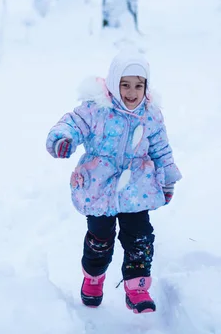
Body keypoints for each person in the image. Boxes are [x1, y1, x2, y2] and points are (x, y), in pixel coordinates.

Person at [45, 49, 182, 314]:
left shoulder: (151, 115)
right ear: (112, 84)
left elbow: (162, 150)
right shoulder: (96, 110)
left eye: (138, 86)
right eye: (125, 85)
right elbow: (72, 124)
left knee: (140, 237)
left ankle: (138, 287)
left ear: (146, 87)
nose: (132, 92)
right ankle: (93, 278)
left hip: (136, 188)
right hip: (99, 187)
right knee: (100, 238)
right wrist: (63, 139)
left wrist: (167, 181)